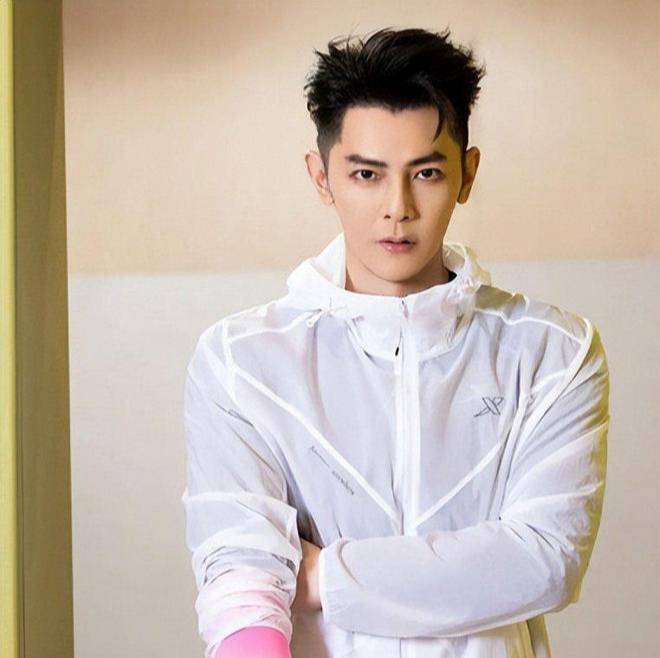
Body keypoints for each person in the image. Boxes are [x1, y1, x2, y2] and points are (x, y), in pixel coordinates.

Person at [182, 26, 610, 658]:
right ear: (321, 176)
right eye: (366, 174)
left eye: (426, 173)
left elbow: (545, 561)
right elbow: (241, 574)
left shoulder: (554, 353)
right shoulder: (241, 361)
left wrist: (321, 576)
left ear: (467, 174)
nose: (397, 207)